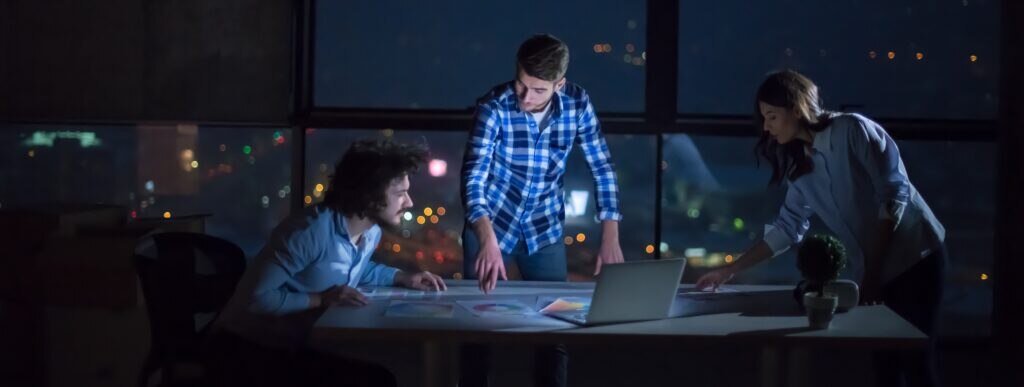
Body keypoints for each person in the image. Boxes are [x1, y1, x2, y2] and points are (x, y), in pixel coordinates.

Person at [695, 69, 946, 387]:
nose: (767, 128)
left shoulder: (851, 129)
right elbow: (787, 228)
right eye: (764, 119)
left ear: (795, 108)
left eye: (772, 116)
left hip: (916, 258)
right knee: (885, 370)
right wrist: (730, 269)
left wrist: (872, 273)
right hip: (873, 271)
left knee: (918, 366)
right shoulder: (800, 167)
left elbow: (892, 196)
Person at [210, 139, 447, 387]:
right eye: (400, 194)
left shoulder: (371, 231)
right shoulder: (310, 232)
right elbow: (256, 298)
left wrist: (401, 277)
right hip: (242, 347)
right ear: (369, 196)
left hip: (288, 345)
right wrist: (321, 299)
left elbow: (351, 268)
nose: (409, 202)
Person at [459, 33, 624, 387]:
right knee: (476, 332)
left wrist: (610, 235)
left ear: (559, 85)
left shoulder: (578, 104)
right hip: (492, 226)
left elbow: (603, 167)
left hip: (544, 229)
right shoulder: (495, 106)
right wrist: (485, 239)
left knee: (553, 332)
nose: (525, 98)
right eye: (521, 85)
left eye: (538, 90)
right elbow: (473, 176)